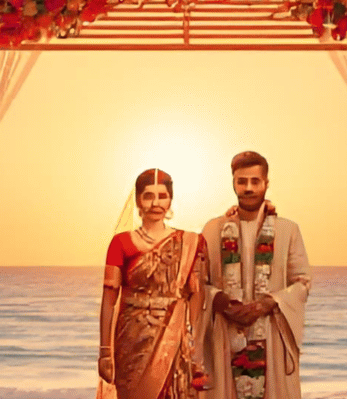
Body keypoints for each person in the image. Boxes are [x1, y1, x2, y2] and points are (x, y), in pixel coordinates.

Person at [201, 151, 311, 399]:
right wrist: (223, 302)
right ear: (233, 183)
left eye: (255, 181)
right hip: (225, 334)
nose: (248, 188)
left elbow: (302, 282)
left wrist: (266, 304)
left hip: (271, 332)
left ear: (266, 183)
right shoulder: (212, 229)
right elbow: (198, 282)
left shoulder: (288, 230)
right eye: (242, 181)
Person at [97, 168, 208, 399]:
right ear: (138, 200)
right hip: (131, 339)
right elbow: (109, 300)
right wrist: (105, 352)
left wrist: (191, 339)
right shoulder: (121, 243)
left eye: (162, 196)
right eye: (148, 196)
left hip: (175, 338)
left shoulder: (190, 242)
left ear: (170, 199)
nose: (156, 203)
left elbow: (196, 295)